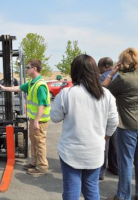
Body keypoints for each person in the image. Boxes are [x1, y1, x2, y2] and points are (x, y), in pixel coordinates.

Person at [50, 54, 118, 200]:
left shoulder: (67, 93)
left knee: (71, 191)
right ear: (94, 71)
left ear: (74, 71)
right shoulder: (106, 94)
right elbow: (113, 122)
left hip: (71, 151)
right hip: (95, 150)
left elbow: (55, 118)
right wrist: (105, 136)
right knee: (92, 189)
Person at [103, 48, 138, 200]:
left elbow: (105, 90)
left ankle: (123, 195)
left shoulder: (123, 79)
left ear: (122, 62)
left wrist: (112, 73)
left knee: (125, 161)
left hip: (129, 124)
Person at [0, 59, 51, 176]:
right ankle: (34, 163)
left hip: (40, 120)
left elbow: (42, 104)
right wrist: (5, 89)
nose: (26, 69)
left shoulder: (40, 84)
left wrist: (37, 120)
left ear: (34, 69)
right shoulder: (32, 82)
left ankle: (42, 166)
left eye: (28, 67)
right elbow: (18, 88)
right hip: (34, 119)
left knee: (39, 142)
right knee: (33, 141)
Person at [98, 57, 119, 180]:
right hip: (117, 114)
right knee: (115, 143)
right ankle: (115, 167)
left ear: (105, 66)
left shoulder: (103, 78)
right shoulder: (120, 77)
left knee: (104, 143)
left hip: (105, 114)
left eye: (99, 66)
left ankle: (100, 172)